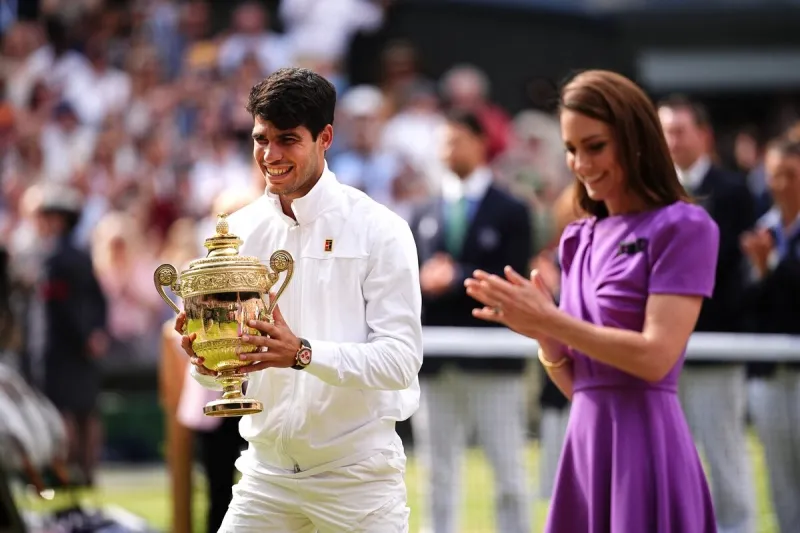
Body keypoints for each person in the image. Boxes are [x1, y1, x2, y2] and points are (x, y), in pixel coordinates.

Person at [464, 70, 719, 532]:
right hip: (583, 446)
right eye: (571, 148)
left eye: (595, 146)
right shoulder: (579, 237)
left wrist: (553, 321)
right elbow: (584, 385)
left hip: (649, 449)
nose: (580, 163)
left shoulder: (685, 227)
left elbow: (655, 358)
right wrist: (544, 334)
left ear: (635, 139)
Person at [176, 67, 423, 532]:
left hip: (358, 478)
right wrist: (208, 364)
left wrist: (302, 353)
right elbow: (225, 378)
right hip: (264, 476)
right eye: (260, 138)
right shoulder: (240, 230)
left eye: (287, 139)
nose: (270, 155)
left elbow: (400, 362)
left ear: (325, 137)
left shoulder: (381, 229)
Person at [408, 109, 533, 533]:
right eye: (443, 141)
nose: (448, 150)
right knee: (436, 471)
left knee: (509, 470)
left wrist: (456, 276)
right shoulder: (420, 211)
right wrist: (423, 279)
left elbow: (514, 275)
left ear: (481, 143)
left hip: (494, 361)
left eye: (457, 139)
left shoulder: (512, 209)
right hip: (437, 362)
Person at [658, 95, 756, 533]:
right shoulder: (650, 190)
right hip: (660, 355)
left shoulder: (735, 192)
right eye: (664, 132)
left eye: (679, 131)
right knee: (667, 464)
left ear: (704, 135)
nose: (671, 141)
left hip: (716, 348)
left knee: (724, 456)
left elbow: (735, 273)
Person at [740, 136, 800, 533]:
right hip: (768, 374)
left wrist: (770, 267)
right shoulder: (760, 229)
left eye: (790, 175)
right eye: (773, 175)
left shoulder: (766, 242)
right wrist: (761, 271)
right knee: (779, 478)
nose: (780, 184)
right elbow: (745, 303)